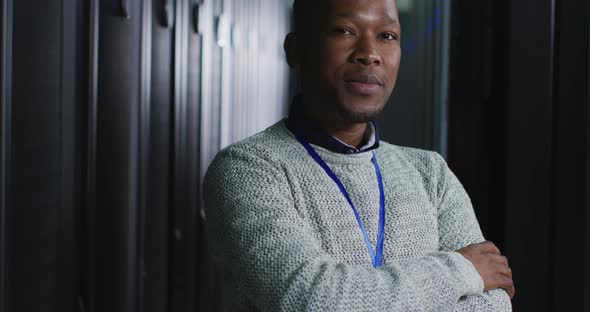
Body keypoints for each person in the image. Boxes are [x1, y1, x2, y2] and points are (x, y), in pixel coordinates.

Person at [203, 0, 515, 310]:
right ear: (295, 49)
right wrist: (462, 270)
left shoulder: (430, 173)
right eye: (344, 31)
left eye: (387, 36)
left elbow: (493, 305)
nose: (369, 54)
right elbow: (315, 300)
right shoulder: (248, 169)